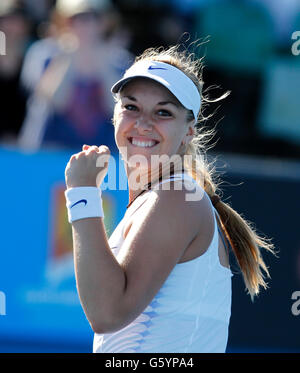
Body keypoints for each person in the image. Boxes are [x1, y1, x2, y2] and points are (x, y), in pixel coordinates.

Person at [64, 45, 275, 353]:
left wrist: (82, 194)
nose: (143, 123)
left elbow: (107, 313)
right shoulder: (165, 197)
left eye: (163, 112)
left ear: (189, 131)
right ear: (114, 115)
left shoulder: (176, 197)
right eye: (131, 107)